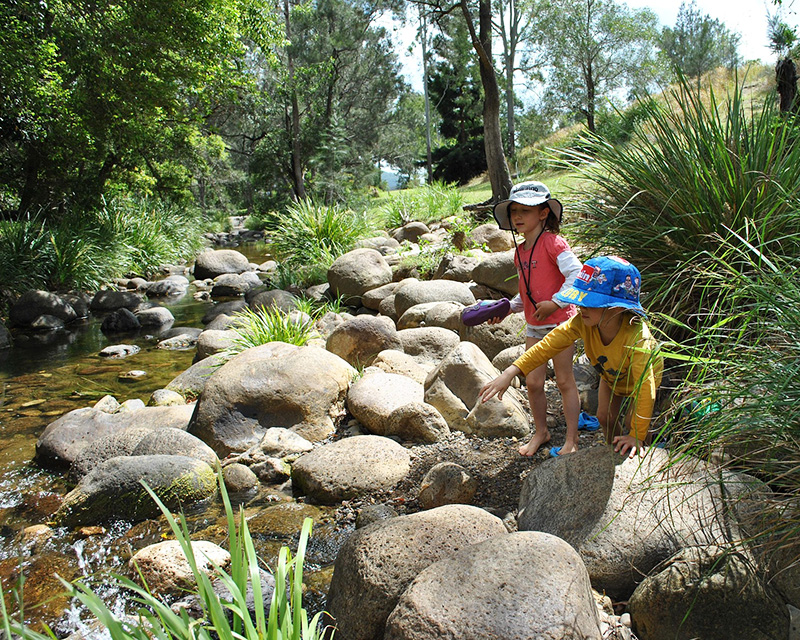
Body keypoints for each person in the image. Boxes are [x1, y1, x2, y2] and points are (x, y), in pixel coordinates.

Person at [479, 255, 663, 458]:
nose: (581, 307)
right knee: (604, 417)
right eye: (580, 300)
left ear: (617, 308)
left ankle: (642, 449)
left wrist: (636, 435)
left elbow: (646, 388)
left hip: (640, 380)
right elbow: (548, 345)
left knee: (632, 423)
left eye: (590, 303)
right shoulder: (582, 322)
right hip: (611, 374)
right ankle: (614, 452)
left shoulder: (638, 338)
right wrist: (511, 371)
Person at [489, 181, 583, 456]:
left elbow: (577, 274)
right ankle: (541, 432)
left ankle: (572, 439)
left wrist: (557, 302)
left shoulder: (553, 243)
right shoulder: (520, 252)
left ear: (543, 213)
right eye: (514, 211)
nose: (517, 216)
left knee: (564, 380)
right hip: (535, 325)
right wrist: (508, 308)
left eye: (526, 210)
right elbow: (527, 291)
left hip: (561, 322)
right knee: (533, 383)